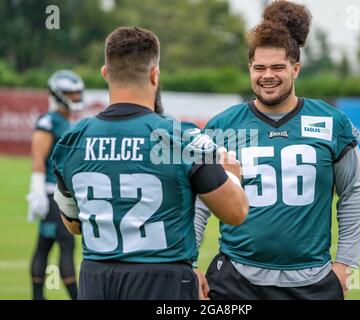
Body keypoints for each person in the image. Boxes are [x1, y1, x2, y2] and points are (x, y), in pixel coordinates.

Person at [51, 26, 248, 300]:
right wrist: (232, 175)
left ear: (106, 73)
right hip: (162, 279)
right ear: (155, 75)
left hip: (96, 278)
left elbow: (73, 224)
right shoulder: (180, 139)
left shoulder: (72, 139)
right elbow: (235, 212)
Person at [195, 1, 360, 300]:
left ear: (296, 68)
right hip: (236, 279)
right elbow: (198, 201)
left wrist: (346, 264)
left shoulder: (331, 123)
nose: (268, 75)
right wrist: (190, 262)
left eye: (278, 67)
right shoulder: (222, 126)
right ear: (250, 68)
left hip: (312, 280)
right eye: (259, 67)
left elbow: (354, 191)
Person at [27, 69, 85, 300]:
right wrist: (37, 192)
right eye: (70, 94)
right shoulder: (49, 121)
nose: (75, 98)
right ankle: (78, 296)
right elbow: (38, 158)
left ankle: (38, 296)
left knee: (45, 244)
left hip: (58, 192)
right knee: (65, 245)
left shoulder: (63, 121)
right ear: (58, 94)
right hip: (52, 194)